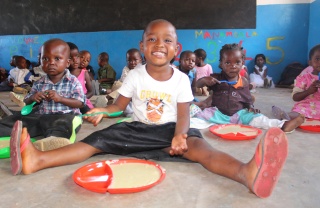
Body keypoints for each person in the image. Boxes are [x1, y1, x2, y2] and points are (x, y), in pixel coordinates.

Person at [11, 20, 289, 199]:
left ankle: (246, 173)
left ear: (176, 48)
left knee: (205, 151)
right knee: (93, 143)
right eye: (152, 40)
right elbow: (120, 106)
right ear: (143, 47)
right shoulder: (135, 76)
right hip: (136, 128)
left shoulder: (181, 79)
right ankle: (38, 160)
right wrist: (103, 113)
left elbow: (183, 114)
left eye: (167, 40)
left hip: (172, 130)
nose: (159, 45)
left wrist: (181, 136)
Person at [195, 43, 304, 132]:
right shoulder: (215, 78)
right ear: (221, 64)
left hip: (239, 115)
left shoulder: (244, 82)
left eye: (237, 62)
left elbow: (247, 100)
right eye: (228, 62)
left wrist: (251, 107)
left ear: (242, 63)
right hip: (217, 114)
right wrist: (204, 80)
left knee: (258, 118)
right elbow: (197, 85)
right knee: (195, 118)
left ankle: (283, 125)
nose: (233, 66)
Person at [1, 38, 85, 151]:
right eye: (45, 58)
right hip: (42, 117)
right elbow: (26, 101)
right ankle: (7, 131)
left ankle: (52, 142)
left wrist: (60, 98)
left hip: (65, 116)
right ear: (40, 61)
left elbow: (80, 103)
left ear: (67, 62)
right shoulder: (39, 82)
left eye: (57, 58)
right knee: (18, 120)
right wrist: (33, 98)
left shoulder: (73, 81)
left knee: (63, 125)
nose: (51, 62)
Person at [272, 44, 320, 120]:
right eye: (317, 59)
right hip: (309, 106)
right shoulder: (304, 78)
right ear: (310, 62)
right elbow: (295, 97)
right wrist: (308, 91)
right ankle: (286, 116)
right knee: (299, 111)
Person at [67, 44, 94, 113]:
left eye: (77, 56)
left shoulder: (84, 73)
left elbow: (91, 91)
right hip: (67, 103)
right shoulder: (62, 74)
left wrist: (81, 99)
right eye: (70, 57)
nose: (75, 60)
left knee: (89, 114)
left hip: (82, 102)